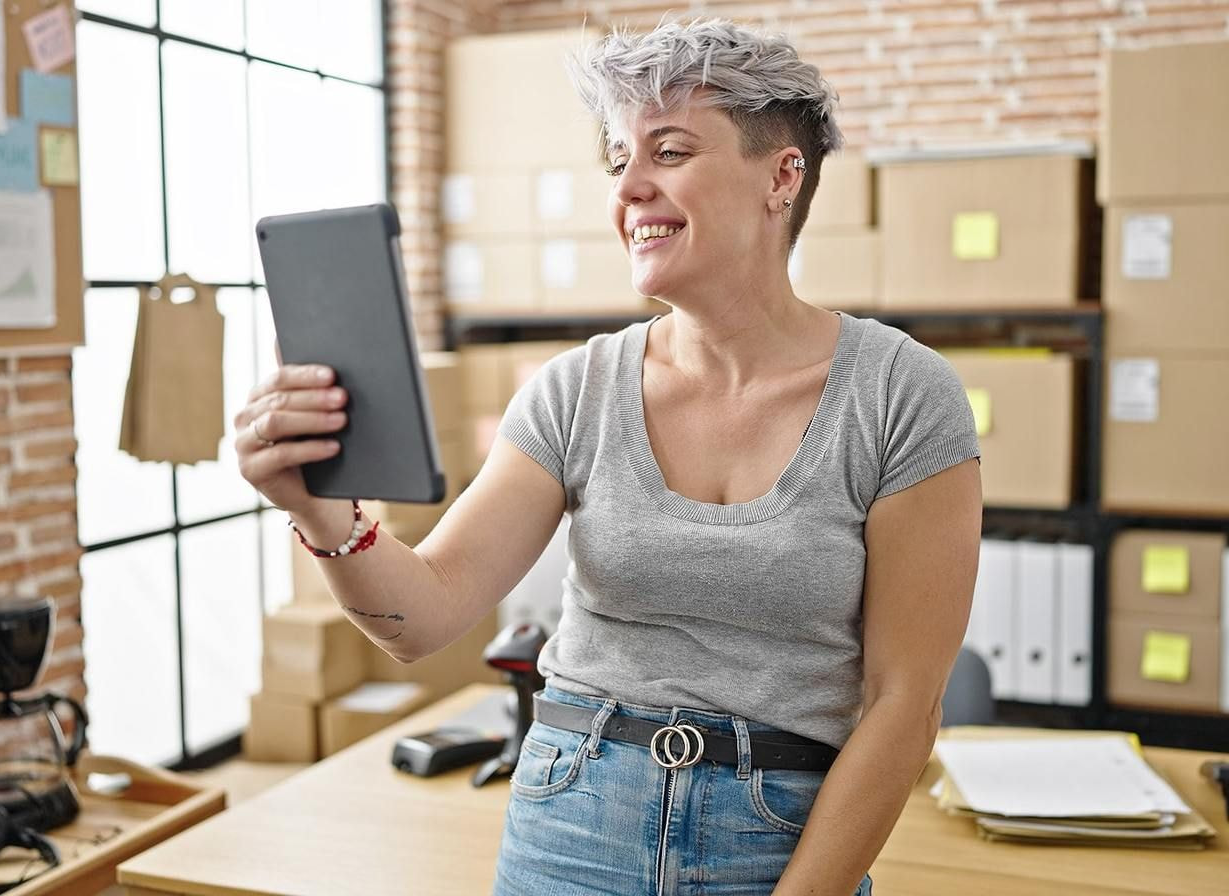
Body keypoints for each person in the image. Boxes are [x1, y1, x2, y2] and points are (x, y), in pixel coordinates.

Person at [235, 18, 981, 896]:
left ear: (783, 176)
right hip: (572, 818)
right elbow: (423, 618)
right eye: (618, 159)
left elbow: (903, 706)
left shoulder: (901, 395)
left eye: (669, 152)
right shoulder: (575, 389)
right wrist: (321, 510)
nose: (627, 188)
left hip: (783, 838)